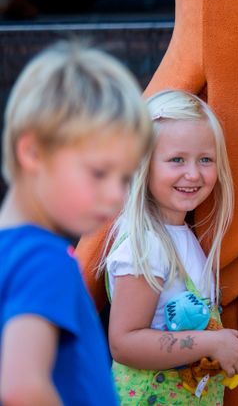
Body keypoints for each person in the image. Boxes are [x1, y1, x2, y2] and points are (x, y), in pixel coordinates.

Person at [0, 41, 152, 405]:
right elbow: (21, 388)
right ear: (33, 152)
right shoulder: (43, 260)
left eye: (125, 178)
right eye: (99, 173)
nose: (116, 195)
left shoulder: (13, 251)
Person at [101, 89, 238, 405]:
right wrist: (211, 343)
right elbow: (124, 343)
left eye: (205, 159)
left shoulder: (181, 235)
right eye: (177, 159)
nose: (193, 174)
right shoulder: (147, 245)